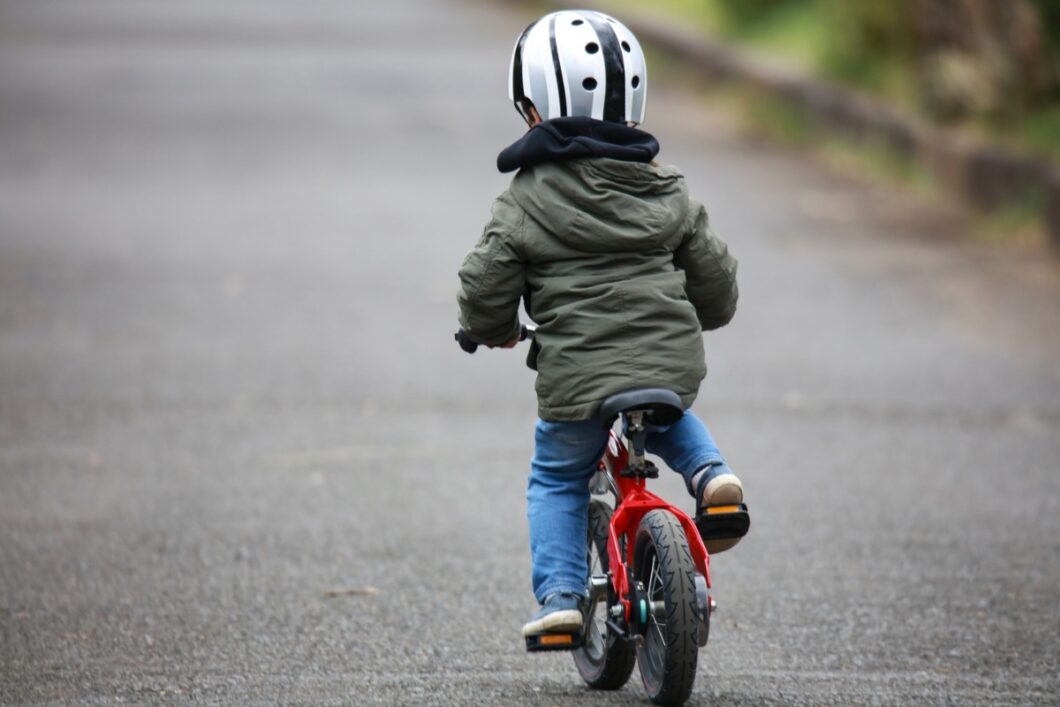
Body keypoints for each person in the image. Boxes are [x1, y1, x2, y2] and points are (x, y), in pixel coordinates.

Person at [456, 9, 745, 639]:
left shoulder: (526, 199)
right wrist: (703, 313)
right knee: (665, 411)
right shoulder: (667, 187)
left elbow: (485, 286)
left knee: (557, 476)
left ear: (532, 106)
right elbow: (717, 288)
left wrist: (491, 328)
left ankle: (561, 597)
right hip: (667, 358)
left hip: (578, 373)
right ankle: (711, 475)